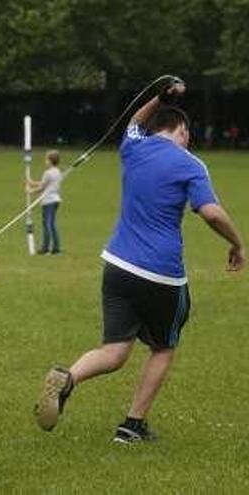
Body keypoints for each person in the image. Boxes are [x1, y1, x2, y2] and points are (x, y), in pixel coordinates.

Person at [34, 79, 246, 443]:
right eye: (188, 134)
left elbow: (134, 119)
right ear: (181, 129)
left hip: (116, 264)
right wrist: (238, 243)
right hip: (162, 273)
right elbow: (210, 213)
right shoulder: (191, 164)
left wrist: (160, 96)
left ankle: (68, 377)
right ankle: (132, 425)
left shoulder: (133, 146)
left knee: (114, 350)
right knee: (163, 347)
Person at [26, 150, 64, 254]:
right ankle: (56, 247)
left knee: (47, 224)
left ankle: (45, 247)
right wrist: (32, 182)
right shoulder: (57, 172)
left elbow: (42, 187)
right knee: (51, 224)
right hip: (56, 199)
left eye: (46, 159)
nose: (45, 161)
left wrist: (30, 191)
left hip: (48, 201)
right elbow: (47, 184)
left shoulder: (47, 173)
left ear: (51, 161)